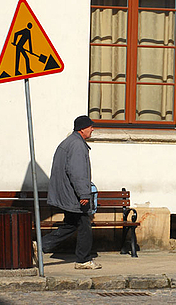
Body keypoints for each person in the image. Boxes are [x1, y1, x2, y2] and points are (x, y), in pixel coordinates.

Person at [37, 115, 101, 269]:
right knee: (85, 225)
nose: (93, 129)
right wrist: (84, 195)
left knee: (71, 224)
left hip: (69, 193)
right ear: (82, 129)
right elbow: (77, 173)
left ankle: (39, 246)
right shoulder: (77, 145)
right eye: (90, 127)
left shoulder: (69, 142)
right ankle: (83, 260)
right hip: (75, 195)